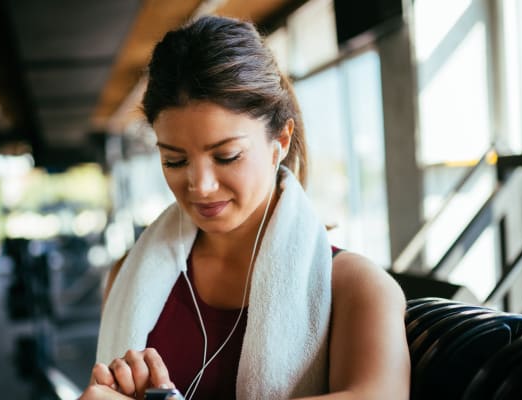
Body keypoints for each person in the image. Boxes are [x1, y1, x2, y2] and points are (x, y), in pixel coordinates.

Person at [81, 15, 409, 400]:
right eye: (175, 161)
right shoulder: (125, 275)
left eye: (227, 156)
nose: (200, 187)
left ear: (281, 141)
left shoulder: (356, 287)